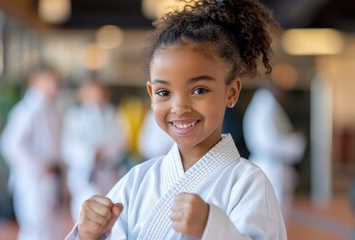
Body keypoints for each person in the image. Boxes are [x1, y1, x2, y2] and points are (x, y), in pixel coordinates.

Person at [66, 0, 286, 239]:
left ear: (231, 92)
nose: (179, 107)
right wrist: (88, 234)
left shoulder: (247, 184)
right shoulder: (137, 181)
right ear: (151, 95)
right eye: (164, 93)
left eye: (199, 90)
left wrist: (212, 228)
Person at [0, 65, 69, 240]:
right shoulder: (27, 110)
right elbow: (10, 145)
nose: (56, 83)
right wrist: (39, 167)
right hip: (33, 181)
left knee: (52, 228)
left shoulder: (52, 109)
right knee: (35, 230)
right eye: (51, 79)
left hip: (51, 178)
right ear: (36, 81)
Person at [62, 79, 127, 222]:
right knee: (84, 214)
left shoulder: (112, 114)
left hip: (108, 171)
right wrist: (90, 153)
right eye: (92, 94)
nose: (96, 99)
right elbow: (68, 147)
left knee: (110, 213)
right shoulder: (75, 116)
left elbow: (122, 140)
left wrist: (106, 152)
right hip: (84, 173)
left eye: (99, 94)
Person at [243, 82, 306, 219]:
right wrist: (295, 144)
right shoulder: (266, 106)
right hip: (271, 165)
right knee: (273, 213)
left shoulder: (264, 105)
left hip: (271, 163)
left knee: (276, 211)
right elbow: (268, 141)